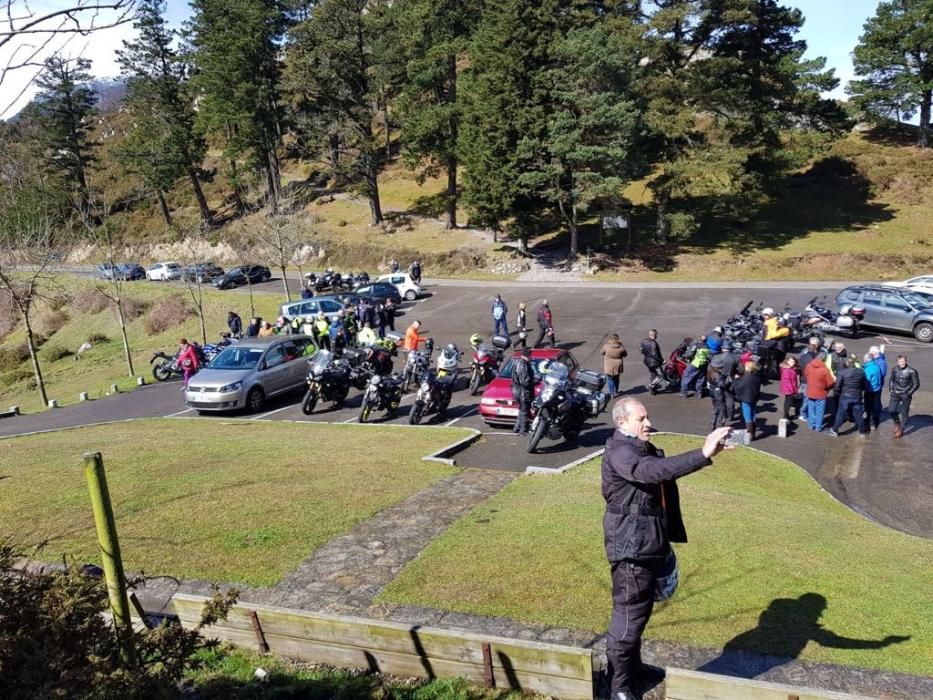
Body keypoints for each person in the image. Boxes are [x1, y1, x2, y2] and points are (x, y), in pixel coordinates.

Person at [602, 398, 731, 699]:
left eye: (648, 417)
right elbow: (653, 472)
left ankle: (633, 668)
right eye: (641, 419)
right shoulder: (621, 452)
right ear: (622, 423)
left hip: (648, 543)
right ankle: (617, 686)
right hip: (631, 550)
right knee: (628, 618)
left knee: (641, 613)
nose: (648, 423)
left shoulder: (638, 447)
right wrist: (702, 452)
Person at [829, 356, 867, 436]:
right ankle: (862, 431)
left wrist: (837, 392)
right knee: (858, 413)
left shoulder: (842, 372)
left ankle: (835, 430)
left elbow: (838, 385)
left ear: (846, 363)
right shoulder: (861, 372)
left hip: (845, 396)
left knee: (840, 413)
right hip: (857, 395)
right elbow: (864, 384)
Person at [888, 354, 919, 438]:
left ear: (906, 361)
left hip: (906, 394)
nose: (902, 363)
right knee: (891, 410)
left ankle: (901, 430)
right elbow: (891, 380)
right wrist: (891, 390)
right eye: (900, 361)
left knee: (904, 412)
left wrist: (909, 393)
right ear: (897, 362)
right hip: (895, 393)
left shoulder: (912, 371)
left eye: (904, 361)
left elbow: (916, 384)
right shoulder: (894, 369)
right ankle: (897, 424)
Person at [803, 349, 835, 432]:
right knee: (819, 411)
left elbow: (806, 375)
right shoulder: (825, 370)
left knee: (811, 409)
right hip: (821, 392)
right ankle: (818, 427)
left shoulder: (809, 365)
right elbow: (830, 382)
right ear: (824, 359)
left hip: (810, 390)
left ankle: (811, 425)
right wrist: (826, 388)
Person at [733, 360, 763, 440]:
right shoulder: (757, 376)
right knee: (753, 414)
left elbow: (739, 386)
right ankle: (752, 433)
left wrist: (736, 380)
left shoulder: (746, 376)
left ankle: (750, 434)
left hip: (746, 398)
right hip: (754, 397)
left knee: (747, 416)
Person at [797, 337, 822, 421]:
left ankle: (800, 411)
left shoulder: (803, 354)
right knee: (807, 398)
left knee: (802, 396)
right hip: (808, 380)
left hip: (802, 378)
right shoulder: (812, 359)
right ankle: (802, 413)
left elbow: (799, 364)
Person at [862, 345, 887, 432]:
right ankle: (874, 420)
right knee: (875, 404)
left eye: (870, 352)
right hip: (877, 386)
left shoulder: (879, 363)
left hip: (873, 388)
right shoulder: (877, 361)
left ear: (874, 354)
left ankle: (872, 421)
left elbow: (881, 375)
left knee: (871, 405)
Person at [511, 347, 535, 434]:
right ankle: (523, 430)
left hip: (517, 390)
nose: (532, 358)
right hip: (522, 391)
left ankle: (516, 428)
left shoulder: (517, 362)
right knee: (525, 410)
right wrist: (534, 381)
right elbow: (525, 381)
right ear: (528, 355)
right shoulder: (522, 365)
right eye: (531, 356)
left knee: (522, 409)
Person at [640, 330, 664, 394]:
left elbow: (641, 350)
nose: (657, 336)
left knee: (653, 374)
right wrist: (662, 360)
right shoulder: (653, 343)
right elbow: (655, 354)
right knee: (661, 375)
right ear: (654, 335)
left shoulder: (644, 341)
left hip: (647, 361)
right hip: (654, 362)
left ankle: (653, 390)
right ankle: (652, 386)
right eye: (656, 334)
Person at [779, 356, 800, 422]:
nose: (793, 363)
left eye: (793, 361)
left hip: (789, 388)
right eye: (791, 361)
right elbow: (787, 381)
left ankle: (786, 415)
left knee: (788, 402)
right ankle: (785, 416)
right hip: (789, 389)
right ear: (787, 361)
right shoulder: (787, 370)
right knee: (788, 402)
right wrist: (792, 390)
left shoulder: (790, 368)